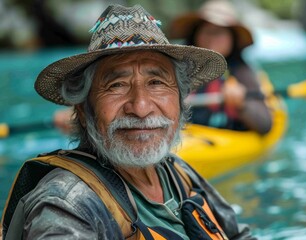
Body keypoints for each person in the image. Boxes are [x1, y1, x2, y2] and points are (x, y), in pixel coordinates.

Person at [1, 4, 256, 240]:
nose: (141, 108)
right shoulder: (66, 205)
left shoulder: (177, 173)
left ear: (180, 100)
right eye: (117, 85)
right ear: (82, 108)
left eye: (156, 83)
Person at [168, 0, 273, 134]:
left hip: (223, 138)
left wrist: (242, 104)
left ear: (232, 39)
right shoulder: (178, 66)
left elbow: (265, 125)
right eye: (207, 31)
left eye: (219, 32)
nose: (212, 39)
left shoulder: (242, 72)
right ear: (196, 35)